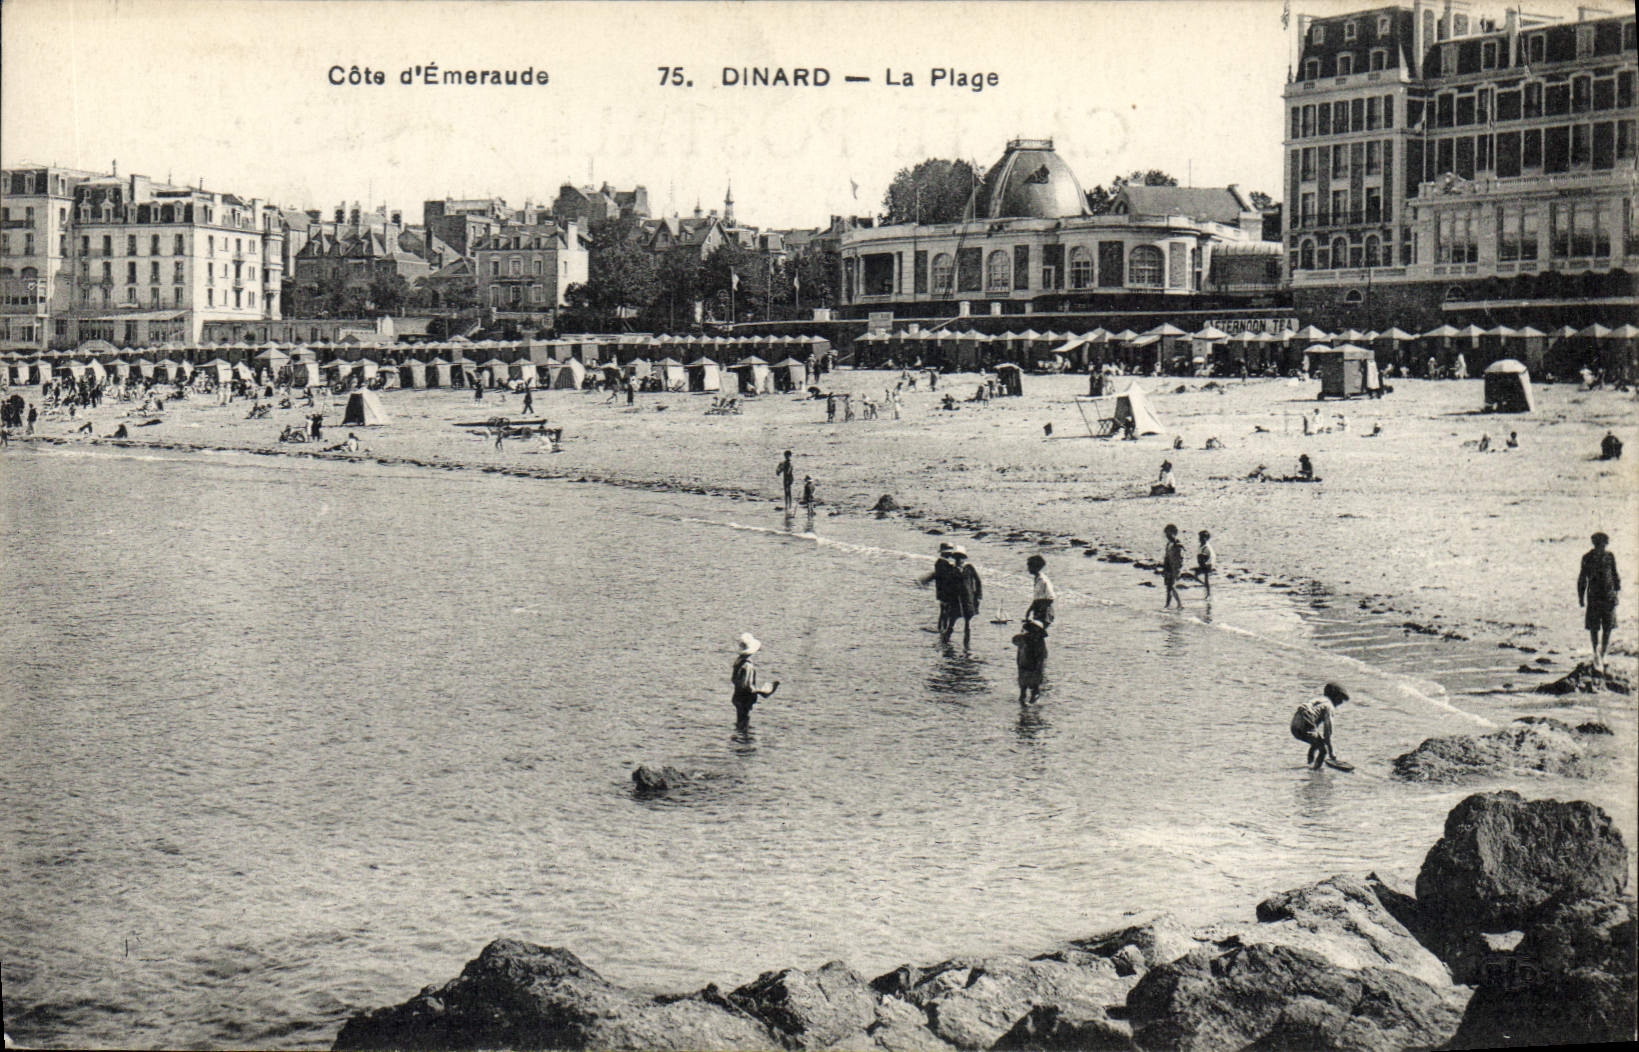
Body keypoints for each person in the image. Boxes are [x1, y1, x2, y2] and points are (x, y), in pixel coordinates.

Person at [1578, 532, 1621, 671]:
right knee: (1594, 627)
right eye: (1601, 544)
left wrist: (1616, 593)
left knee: (1608, 627)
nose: (1603, 546)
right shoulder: (1587, 558)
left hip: (1608, 597)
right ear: (1596, 544)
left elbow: (1615, 576)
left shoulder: (1609, 557)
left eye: (1604, 544)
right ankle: (1596, 653)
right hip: (1595, 598)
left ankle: (1602, 654)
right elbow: (1582, 579)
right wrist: (1581, 597)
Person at [1291, 683, 1349, 770]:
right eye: (1340, 699)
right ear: (1335, 697)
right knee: (1323, 750)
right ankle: (1315, 771)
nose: (1340, 703)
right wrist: (1331, 752)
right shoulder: (1329, 706)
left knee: (1316, 742)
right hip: (1306, 722)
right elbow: (1328, 732)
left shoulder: (1319, 700)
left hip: (1295, 723)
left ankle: (1309, 764)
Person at [730, 633, 779, 728]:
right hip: (745, 699)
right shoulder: (748, 666)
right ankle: (742, 735)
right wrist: (762, 691)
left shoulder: (738, 661)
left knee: (740, 721)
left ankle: (738, 735)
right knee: (744, 722)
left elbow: (734, 679)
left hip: (737, 696)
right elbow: (748, 686)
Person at [918, 542, 961, 640]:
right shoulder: (943, 564)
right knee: (945, 610)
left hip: (943, 591)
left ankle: (941, 628)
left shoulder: (941, 563)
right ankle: (942, 629)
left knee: (944, 610)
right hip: (945, 592)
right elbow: (946, 578)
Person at [951, 546, 983, 648]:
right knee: (952, 620)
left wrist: (978, 595)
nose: (959, 560)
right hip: (956, 599)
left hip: (968, 598)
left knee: (967, 623)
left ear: (964, 558)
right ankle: (946, 640)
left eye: (961, 557)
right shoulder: (952, 570)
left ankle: (966, 645)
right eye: (957, 558)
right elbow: (947, 585)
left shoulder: (969, 568)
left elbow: (978, 581)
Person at [1012, 618, 1048, 705]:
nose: (1034, 631)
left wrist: (1039, 666)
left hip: (1034, 665)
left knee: (1034, 684)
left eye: (1036, 629)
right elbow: (1015, 641)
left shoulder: (1040, 642)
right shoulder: (1024, 638)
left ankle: (1033, 698)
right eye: (1032, 628)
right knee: (1023, 686)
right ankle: (1024, 700)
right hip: (1024, 664)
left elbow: (1042, 655)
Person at [1025, 554, 1055, 627]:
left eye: (1030, 566)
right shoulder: (1037, 579)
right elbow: (1037, 598)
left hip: (1045, 612)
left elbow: (1051, 598)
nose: (1028, 569)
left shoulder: (1043, 580)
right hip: (1038, 610)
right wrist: (1030, 610)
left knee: (1037, 631)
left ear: (1036, 567)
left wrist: (1040, 611)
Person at [1162, 524, 1185, 608]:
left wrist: (1177, 568)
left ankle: (1179, 604)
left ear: (1174, 533)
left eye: (1168, 533)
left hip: (1174, 568)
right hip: (1168, 567)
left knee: (1172, 586)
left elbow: (1180, 558)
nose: (1167, 535)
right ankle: (1167, 604)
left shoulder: (1177, 544)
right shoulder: (1169, 544)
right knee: (1168, 587)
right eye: (1166, 534)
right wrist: (1164, 568)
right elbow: (1166, 557)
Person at [1196, 530, 1216, 599]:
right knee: (1204, 578)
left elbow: (1208, 557)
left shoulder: (1206, 547)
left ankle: (1208, 593)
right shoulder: (1202, 546)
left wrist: (1203, 564)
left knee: (1205, 578)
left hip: (1208, 564)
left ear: (1206, 538)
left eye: (1202, 537)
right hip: (1204, 564)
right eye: (1200, 537)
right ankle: (1206, 588)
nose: (1200, 539)